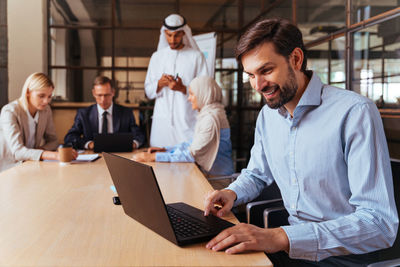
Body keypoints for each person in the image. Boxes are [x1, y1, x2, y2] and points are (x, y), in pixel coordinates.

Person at [203, 18, 398, 266]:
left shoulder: (354, 112)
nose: (258, 86)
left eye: (266, 70)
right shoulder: (268, 116)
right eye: (251, 75)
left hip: (343, 257)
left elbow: (379, 223)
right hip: (291, 248)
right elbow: (257, 174)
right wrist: (231, 193)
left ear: (296, 59)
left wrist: (281, 236)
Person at [134, 76, 234, 177]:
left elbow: (191, 155)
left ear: (203, 94)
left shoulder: (211, 118)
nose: (189, 98)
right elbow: (192, 144)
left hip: (217, 181)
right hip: (210, 176)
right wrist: (166, 149)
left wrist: (153, 157)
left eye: (191, 94)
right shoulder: (211, 113)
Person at [145, 14, 208, 148]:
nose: (172, 40)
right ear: (164, 34)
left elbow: (205, 93)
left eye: (177, 35)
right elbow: (148, 92)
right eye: (169, 35)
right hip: (161, 127)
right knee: (158, 163)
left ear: (184, 33)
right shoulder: (157, 57)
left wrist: (182, 88)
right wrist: (159, 84)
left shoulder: (196, 57)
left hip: (187, 124)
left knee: (188, 163)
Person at [0, 72, 77, 172]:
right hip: (9, 168)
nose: (46, 101)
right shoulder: (10, 111)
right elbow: (18, 152)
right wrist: (54, 155)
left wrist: (39, 151)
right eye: (41, 96)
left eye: (49, 96)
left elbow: (53, 141)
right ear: (28, 92)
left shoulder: (45, 110)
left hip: (30, 165)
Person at [64, 76, 145, 150]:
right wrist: (89, 144)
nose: (103, 100)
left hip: (120, 155)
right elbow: (70, 137)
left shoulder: (126, 113)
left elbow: (139, 135)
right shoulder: (83, 114)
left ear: (113, 92)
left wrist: (134, 144)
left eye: (106, 95)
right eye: (99, 95)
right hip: (93, 156)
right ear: (93, 93)